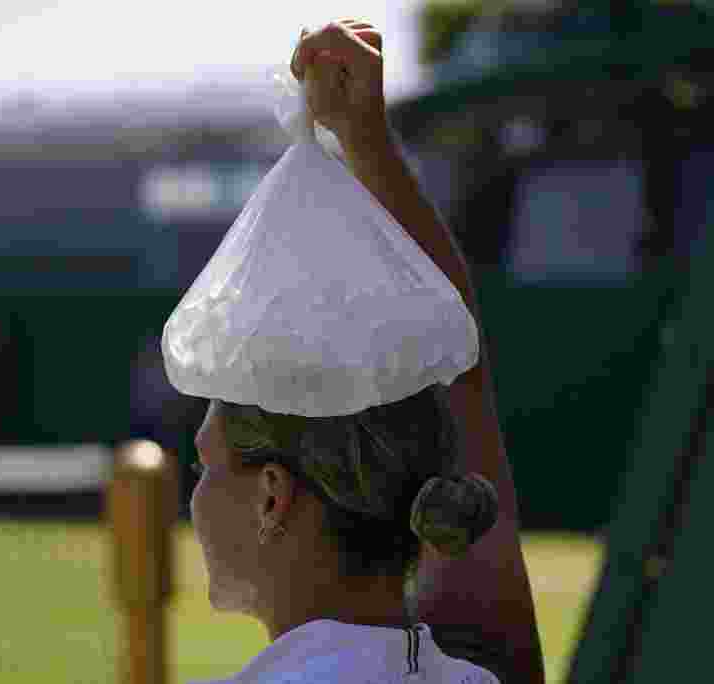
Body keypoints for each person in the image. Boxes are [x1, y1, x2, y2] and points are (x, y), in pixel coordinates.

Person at [185, 19, 545, 684]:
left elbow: (459, 375)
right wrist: (365, 141)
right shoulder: (477, 675)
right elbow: (458, 376)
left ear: (272, 497)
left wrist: (362, 139)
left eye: (205, 465)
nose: (195, 498)